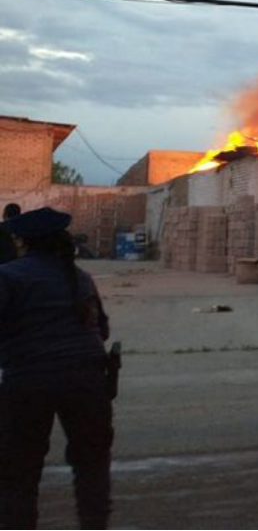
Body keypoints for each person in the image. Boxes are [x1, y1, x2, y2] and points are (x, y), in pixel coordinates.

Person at [0, 207, 113, 529]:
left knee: (18, 473)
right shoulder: (82, 278)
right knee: (91, 467)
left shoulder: (9, 276)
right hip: (88, 381)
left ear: (24, 242)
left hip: (28, 382)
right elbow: (101, 331)